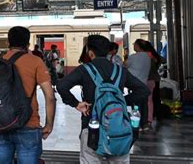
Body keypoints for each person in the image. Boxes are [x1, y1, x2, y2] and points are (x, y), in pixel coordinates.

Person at [57, 35, 150, 164]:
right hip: (119, 126)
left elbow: (61, 86)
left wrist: (76, 104)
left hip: (91, 126)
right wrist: (122, 100)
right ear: (108, 52)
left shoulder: (84, 69)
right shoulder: (120, 71)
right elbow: (144, 90)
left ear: (90, 52)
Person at [0, 26, 56, 163]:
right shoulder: (36, 62)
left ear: (8, 43)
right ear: (28, 44)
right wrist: (49, 124)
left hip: (0, 123)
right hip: (28, 123)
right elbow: (50, 96)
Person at [125, 39, 151, 130]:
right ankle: (145, 124)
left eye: (134, 44)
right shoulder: (148, 57)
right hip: (144, 83)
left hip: (135, 84)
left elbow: (125, 65)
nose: (133, 46)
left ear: (138, 46)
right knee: (144, 104)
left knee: (136, 105)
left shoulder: (134, 57)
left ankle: (137, 125)